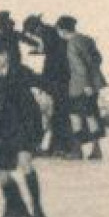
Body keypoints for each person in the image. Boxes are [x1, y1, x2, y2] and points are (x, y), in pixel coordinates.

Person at [0, 31, 49, 217]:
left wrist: (49, 96)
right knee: (2, 173)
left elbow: (43, 83)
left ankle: (38, 211)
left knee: (25, 162)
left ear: (7, 54)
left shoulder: (20, 71)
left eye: (2, 54)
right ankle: (14, 209)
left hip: (22, 127)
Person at [20, 15, 72, 156]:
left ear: (36, 28)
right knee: (58, 113)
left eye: (31, 32)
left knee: (58, 113)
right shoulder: (50, 32)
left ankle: (60, 147)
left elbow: (49, 52)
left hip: (56, 78)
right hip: (60, 76)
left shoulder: (47, 33)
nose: (32, 35)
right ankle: (58, 146)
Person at [59, 15, 107, 160]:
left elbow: (79, 68)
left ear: (62, 30)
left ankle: (77, 150)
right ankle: (96, 149)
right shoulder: (87, 39)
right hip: (95, 83)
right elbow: (99, 58)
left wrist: (85, 84)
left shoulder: (71, 44)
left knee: (75, 117)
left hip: (80, 85)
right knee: (91, 115)